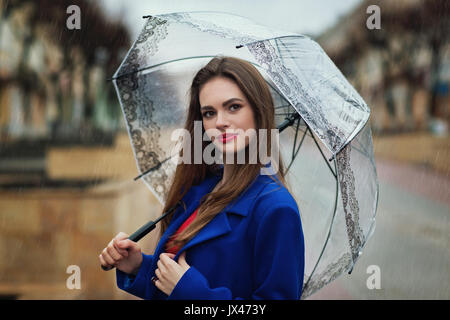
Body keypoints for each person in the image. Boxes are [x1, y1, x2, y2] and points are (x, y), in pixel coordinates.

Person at [99, 56, 305, 300]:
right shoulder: (200, 190)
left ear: (259, 113)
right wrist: (138, 267)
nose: (220, 122)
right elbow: (172, 285)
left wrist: (192, 292)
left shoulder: (276, 210)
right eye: (209, 113)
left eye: (233, 107)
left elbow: (185, 287)